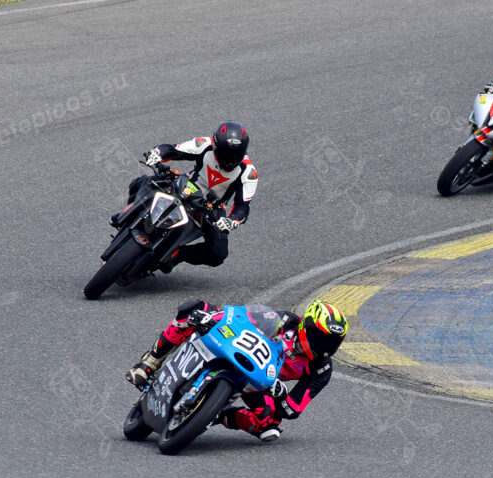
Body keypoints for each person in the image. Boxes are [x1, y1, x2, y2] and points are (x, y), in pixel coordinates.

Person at [125, 299, 348, 442]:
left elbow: (292, 410)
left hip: (261, 384)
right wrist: (213, 318)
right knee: (196, 309)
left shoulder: (321, 370)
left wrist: (279, 394)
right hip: (236, 350)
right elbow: (241, 317)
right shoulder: (285, 321)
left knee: (269, 426)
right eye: (322, 339)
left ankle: (217, 415)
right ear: (305, 326)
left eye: (332, 343)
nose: (326, 348)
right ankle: (150, 362)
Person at [111, 121, 257, 270]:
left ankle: (178, 254)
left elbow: (242, 207)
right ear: (216, 145)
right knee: (143, 182)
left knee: (218, 253)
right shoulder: (205, 144)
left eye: (235, 154)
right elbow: (173, 150)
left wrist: (231, 221)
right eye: (225, 152)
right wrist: (157, 154)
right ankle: (129, 215)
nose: (230, 158)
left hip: (211, 208)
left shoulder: (249, 173)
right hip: (185, 187)